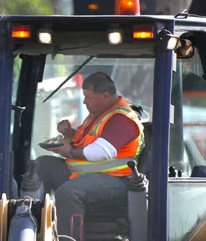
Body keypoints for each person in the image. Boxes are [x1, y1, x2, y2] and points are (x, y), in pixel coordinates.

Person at [36, 72, 145, 237]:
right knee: (42, 165)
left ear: (106, 96)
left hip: (116, 179)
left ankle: (69, 239)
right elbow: (86, 141)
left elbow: (100, 152)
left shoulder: (123, 119)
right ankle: (35, 226)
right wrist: (69, 132)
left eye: (88, 97)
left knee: (68, 193)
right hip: (86, 174)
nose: (85, 101)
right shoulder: (99, 114)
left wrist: (69, 151)